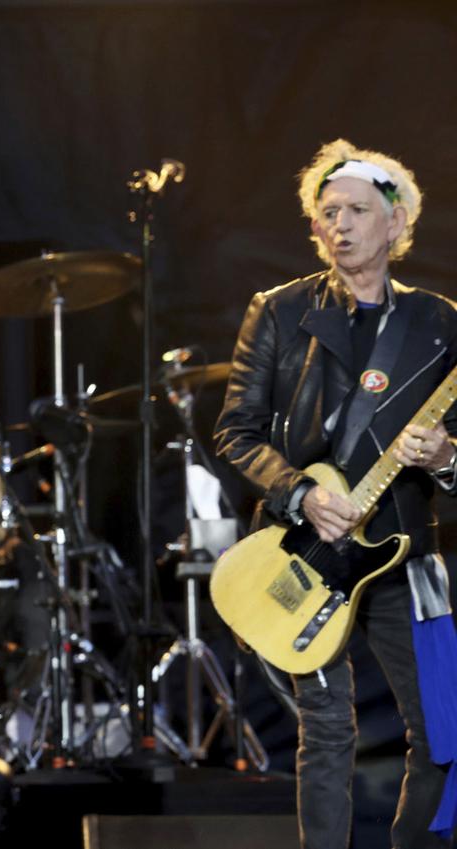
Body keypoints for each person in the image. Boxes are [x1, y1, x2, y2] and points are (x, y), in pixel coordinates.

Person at [215, 139, 457, 848]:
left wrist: (446, 456)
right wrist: (299, 496)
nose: (341, 223)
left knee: (443, 729)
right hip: (304, 550)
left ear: (397, 223)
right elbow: (235, 432)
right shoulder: (280, 311)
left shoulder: (440, 322)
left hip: (404, 552)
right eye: (328, 212)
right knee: (327, 732)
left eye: (357, 209)